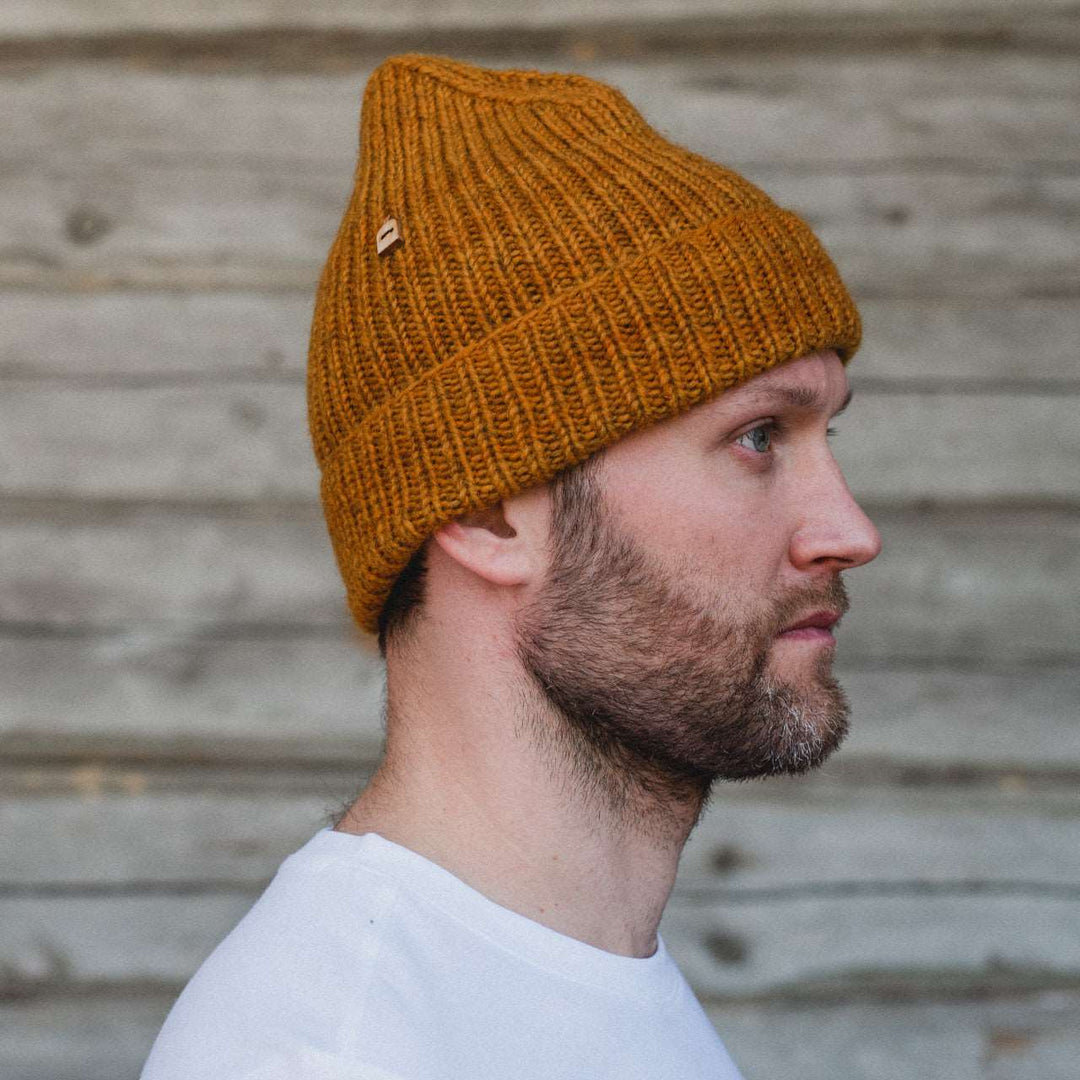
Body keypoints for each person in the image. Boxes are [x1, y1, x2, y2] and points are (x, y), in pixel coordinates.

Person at [141, 51, 881, 1080]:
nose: (849, 529)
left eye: (825, 434)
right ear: (488, 512)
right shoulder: (335, 1054)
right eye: (759, 436)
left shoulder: (571, 982)